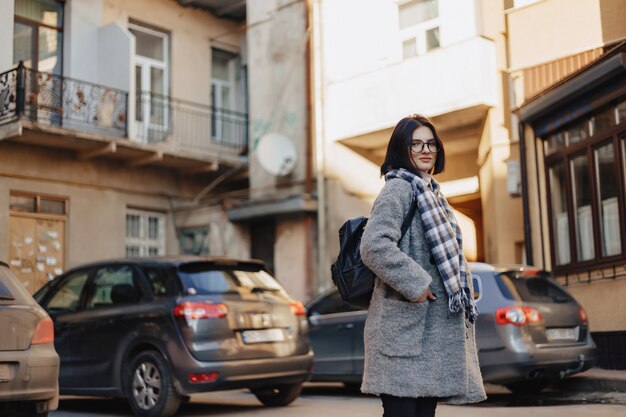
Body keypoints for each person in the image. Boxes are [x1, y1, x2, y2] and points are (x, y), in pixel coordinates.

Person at [359, 114, 486, 417]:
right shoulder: (399, 189)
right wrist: (417, 285)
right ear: (402, 150)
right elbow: (374, 245)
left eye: (430, 143)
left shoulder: (434, 195)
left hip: (428, 332)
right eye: (415, 144)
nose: (425, 150)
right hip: (405, 329)